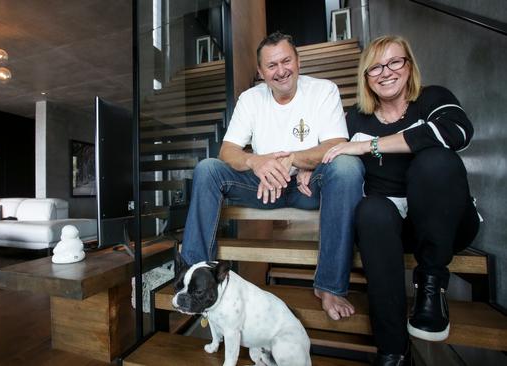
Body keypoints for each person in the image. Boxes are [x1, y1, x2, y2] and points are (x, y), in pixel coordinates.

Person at [180, 31, 364, 321]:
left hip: (308, 186)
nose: (281, 71)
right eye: (271, 65)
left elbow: (335, 145)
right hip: (263, 187)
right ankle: (195, 275)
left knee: (347, 167)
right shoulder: (250, 99)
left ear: (298, 61)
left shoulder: (323, 90)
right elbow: (227, 151)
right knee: (207, 169)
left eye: (286, 61)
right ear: (260, 72)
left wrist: (297, 160)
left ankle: (330, 285)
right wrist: (256, 162)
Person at [323, 35, 480, 365]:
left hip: (446, 223)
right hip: (391, 229)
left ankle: (431, 286)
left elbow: (457, 133)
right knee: (370, 210)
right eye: (375, 67)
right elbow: (332, 156)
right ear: (366, 77)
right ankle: (392, 350)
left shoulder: (432, 98)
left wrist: (370, 146)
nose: (386, 72)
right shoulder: (355, 120)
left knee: (435, 161)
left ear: (409, 66)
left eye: (395, 62)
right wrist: (309, 169)